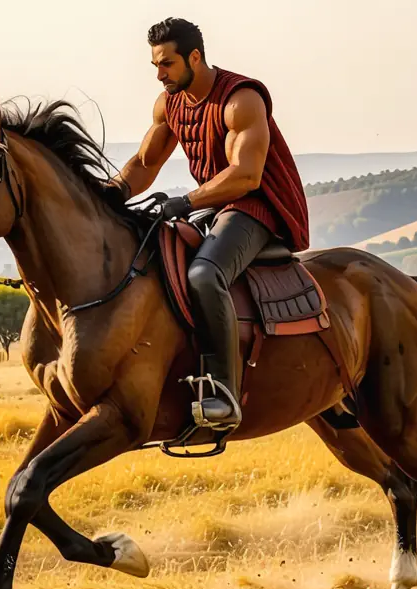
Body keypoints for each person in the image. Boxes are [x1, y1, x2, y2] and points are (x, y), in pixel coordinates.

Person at [106, 17, 310, 432]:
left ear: (194, 57)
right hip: (214, 206)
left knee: (203, 274)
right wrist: (107, 195)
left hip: (257, 206)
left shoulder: (241, 100)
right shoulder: (169, 103)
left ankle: (222, 391)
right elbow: (146, 164)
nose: (160, 74)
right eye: (155, 66)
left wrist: (184, 200)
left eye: (167, 64)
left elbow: (246, 176)